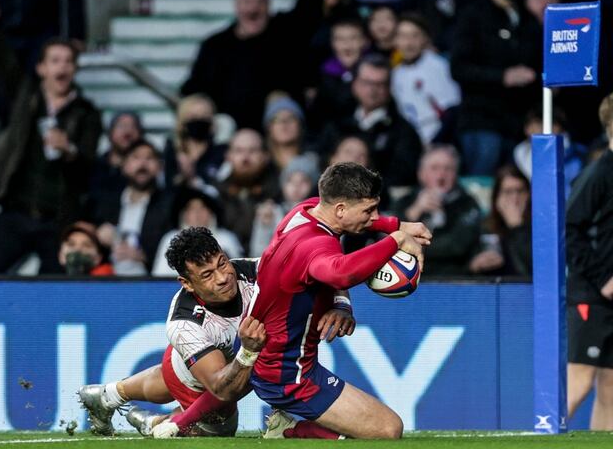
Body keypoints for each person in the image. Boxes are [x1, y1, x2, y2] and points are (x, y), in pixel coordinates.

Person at [156, 162, 431, 439]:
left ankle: (175, 423)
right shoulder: (315, 249)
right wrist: (395, 240)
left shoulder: (303, 212)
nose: (374, 217)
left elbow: (336, 267)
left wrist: (397, 224)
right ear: (340, 210)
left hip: (267, 349)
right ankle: (289, 431)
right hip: (288, 372)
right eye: (369, 211)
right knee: (387, 430)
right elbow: (341, 273)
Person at [79, 229, 269, 436]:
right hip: (196, 377)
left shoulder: (258, 270)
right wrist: (249, 352)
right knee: (219, 430)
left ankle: (108, 395)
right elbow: (222, 390)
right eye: (207, 274)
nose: (223, 277)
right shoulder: (184, 324)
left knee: (168, 378)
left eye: (222, 263)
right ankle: (155, 422)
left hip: (189, 360)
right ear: (186, 283)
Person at [0, 38, 102, 275]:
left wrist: (69, 150)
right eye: (55, 61)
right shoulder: (26, 100)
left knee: (54, 288)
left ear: (75, 69)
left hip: (57, 219)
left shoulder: (87, 112)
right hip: (17, 210)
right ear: (41, 68)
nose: (62, 67)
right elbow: (0, 60)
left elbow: (89, 166)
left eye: (68, 62)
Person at [180, 0, 331, 132]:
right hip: (230, 141)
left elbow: (309, 7)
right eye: (247, 2)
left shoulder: (286, 35)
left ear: (269, 5)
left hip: (278, 137)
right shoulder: (215, 46)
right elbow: (193, 91)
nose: (253, 9)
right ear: (236, 5)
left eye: (260, 2)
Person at [450, 0, 541, 176]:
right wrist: (503, 76)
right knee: (483, 186)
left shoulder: (528, 20)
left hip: (519, 124)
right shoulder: (472, 15)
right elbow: (458, 68)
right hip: (482, 122)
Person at [566, 92, 613, 430]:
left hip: (608, 295)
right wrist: (603, 279)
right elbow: (570, 229)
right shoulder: (599, 173)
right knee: (580, 380)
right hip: (592, 294)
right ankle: (534, 437)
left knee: (611, 387)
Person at [320, 55, 423, 189]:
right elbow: (321, 159)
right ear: (355, 84)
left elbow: (403, 176)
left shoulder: (403, 131)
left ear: (389, 87)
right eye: (366, 83)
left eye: (380, 84)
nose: (372, 90)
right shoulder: (337, 122)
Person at [391, 145, 482, 277]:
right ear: (421, 174)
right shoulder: (405, 202)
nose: (441, 175)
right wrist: (414, 211)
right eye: (434, 168)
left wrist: (413, 244)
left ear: (456, 174)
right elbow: (389, 240)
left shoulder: (467, 204)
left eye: (448, 169)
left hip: (454, 278)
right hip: (407, 277)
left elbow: (457, 246)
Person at [89, 139, 173, 275]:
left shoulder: (169, 205)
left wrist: (144, 256)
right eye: (136, 157)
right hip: (105, 277)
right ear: (124, 165)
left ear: (159, 167)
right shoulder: (106, 202)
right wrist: (97, 236)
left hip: (151, 280)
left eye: (149, 158)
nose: (142, 164)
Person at [390, 13, 462, 145]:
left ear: (425, 38)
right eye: (403, 36)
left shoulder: (438, 66)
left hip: (438, 137)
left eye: (415, 35)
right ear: (395, 40)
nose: (408, 43)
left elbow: (452, 111)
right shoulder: (396, 73)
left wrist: (435, 143)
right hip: (410, 140)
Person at [217, 129, 280, 256]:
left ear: (265, 156)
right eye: (239, 151)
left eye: (252, 151)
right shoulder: (215, 194)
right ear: (228, 156)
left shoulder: (280, 191)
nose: (245, 158)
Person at [153, 189, 243, 276]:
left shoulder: (227, 239)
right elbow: (160, 277)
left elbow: (239, 273)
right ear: (184, 214)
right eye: (191, 209)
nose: (197, 213)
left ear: (211, 213)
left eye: (202, 208)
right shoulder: (171, 239)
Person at [469, 164, 531, 276]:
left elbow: (531, 269)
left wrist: (517, 228)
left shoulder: (539, 228)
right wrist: (474, 267)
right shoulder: (485, 227)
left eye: (520, 191)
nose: (515, 198)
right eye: (508, 192)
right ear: (497, 198)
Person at [163, 94, 226, 190]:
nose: (199, 120)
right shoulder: (172, 149)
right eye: (193, 116)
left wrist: (193, 177)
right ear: (182, 120)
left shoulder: (221, 151)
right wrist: (183, 177)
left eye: (204, 116)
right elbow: (168, 185)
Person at [89, 111, 142, 199]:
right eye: (121, 126)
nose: (127, 132)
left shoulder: (144, 171)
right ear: (110, 132)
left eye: (133, 127)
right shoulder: (93, 167)